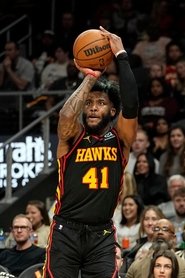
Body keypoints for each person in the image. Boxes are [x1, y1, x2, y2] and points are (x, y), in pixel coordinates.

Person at [43, 25, 139, 278]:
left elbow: (131, 105)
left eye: (101, 103)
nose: (94, 108)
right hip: (66, 230)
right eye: (89, 103)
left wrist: (122, 57)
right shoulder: (71, 138)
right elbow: (65, 115)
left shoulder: (121, 140)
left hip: (102, 233)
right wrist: (91, 76)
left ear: (112, 111)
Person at [121, 205, 165, 274]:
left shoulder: (164, 246)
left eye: (154, 219)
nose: (150, 223)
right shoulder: (140, 243)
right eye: (146, 219)